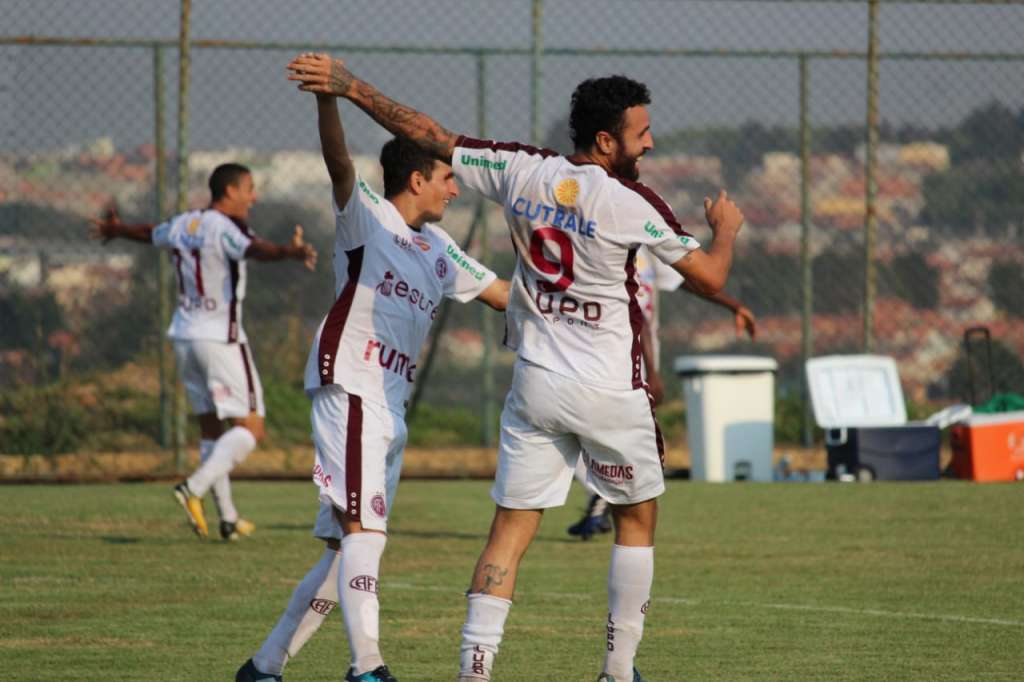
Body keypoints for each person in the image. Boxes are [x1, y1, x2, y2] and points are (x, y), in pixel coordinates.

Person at [288, 55, 744, 682]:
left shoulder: (520, 170)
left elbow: (427, 132)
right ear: (606, 141)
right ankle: (618, 670)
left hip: (535, 385)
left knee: (509, 532)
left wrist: (351, 87)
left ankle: (474, 672)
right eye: (642, 134)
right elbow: (710, 278)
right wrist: (725, 231)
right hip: (609, 386)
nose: (651, 143)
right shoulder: (634, 202)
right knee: (635, 518)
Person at [235, 80, 509, 682]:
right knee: (367, 532)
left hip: (389, 402)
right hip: (352, 386)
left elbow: (502, 297)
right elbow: (337, 159)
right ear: (417, 180)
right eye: (447, 177)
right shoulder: (367, 217)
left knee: (343, 552)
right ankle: (368, 667)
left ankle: (263, 668)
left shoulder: (439, 247)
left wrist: (570, 291)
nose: (456, 187)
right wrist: (328, 96)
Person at [91, 164, 317, 540]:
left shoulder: (186, 223)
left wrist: (118, 230)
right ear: (229, 190)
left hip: (184, 335)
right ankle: (192, 487)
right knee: (251, 429)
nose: (254, 197)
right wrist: (288, 253)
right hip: (220, 338)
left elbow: (151, 233)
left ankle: (227, 518)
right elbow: (253, 249)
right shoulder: (224, 227)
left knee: (212, 428)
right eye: (249, 188)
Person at [568, 251, 758, 539]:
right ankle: (604, 496)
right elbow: (635, 311)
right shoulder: (602, 238)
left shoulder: (647, 240)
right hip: (608, 353)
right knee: (585, 429)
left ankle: (607, 498)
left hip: (633, 358)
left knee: (606, 433)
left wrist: (734, 305)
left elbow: (686, 282)